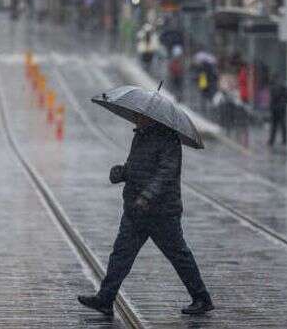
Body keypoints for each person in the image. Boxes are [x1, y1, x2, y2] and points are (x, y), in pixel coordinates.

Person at [78, 115, 213, 316]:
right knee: (121, 254)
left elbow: (166, 173)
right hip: (136, 210)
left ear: (151, 118)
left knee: (179, 255)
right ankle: (105, 299)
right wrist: (121, 173)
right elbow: (137, 167)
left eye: (139, 116)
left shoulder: (168, 139)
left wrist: (147, 196)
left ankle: (202, 298)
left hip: (161, 213)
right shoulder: (140, 136)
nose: (135, 119)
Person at [268, 77, 287, 147]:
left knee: (274, 125)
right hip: (282, 108)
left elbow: (273, 98)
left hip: (275, 108)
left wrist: (271, 106)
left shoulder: (273, 87)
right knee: (283, 124)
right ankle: (284, 140)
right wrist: (285, 102)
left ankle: (271, 140)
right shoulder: (284, 86)